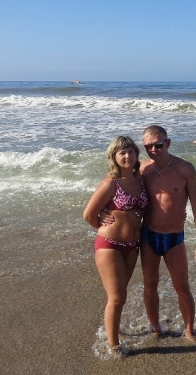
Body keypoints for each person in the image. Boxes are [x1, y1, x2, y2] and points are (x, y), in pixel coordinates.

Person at [138, 125, 196, 341]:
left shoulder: (185, 169)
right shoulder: (142, 169)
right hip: (148, 236)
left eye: (158, 145)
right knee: (150, 286)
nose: (153, 150)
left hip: (174, 239)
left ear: (167, 143)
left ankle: (189, 329)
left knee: (182, 287)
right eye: (148, 146)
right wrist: (105, 212)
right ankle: (155, 327)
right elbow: (118, 187)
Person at [83, 136, 148, 356]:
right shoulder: (110, 183)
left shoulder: (141, 180)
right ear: (114, 157)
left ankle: (115, 330)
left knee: (120, 294)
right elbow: (88, 214)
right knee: (117, 296)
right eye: (122, 153)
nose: (127, 156)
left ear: (137, 154)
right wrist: (103, 225)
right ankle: (114, 347)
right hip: (109, 245)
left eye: (131, 151)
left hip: (132, 246)